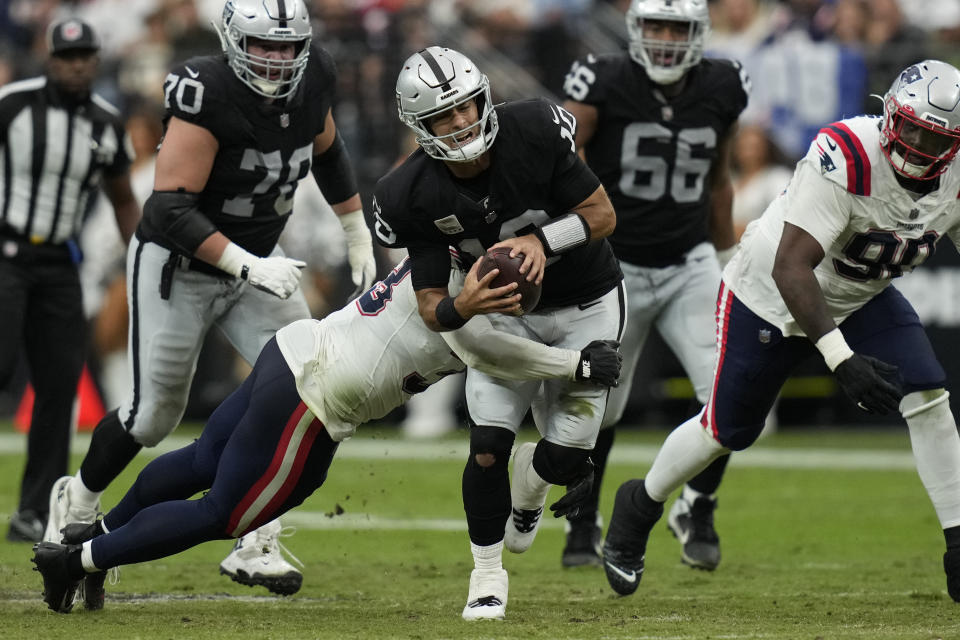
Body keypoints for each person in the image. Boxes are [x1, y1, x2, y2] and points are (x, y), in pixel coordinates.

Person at [30, 254, 623, 614]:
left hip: (294, 352)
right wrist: (575, 367)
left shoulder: (438, 256)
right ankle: (79, 560)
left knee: (201, 458)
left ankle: (92, 533)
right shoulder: (462, 297)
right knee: (225, 515)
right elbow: (483, 345)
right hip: (314, 400)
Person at [43, 0, 377, 606]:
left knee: (309, 384)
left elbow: (327, 150)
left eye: (287, 46)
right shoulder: (207, 91)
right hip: (180, 263)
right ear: (231, 41)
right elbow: (168, 207)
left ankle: (256, 538)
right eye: (262, 46)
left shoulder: (314, 77)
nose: (277, 60)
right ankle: (80, 499)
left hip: (258, 262)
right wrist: (248, 263)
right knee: (153, 417)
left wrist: (354, 228)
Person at [600, 59, 960, 602]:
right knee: (727, 430)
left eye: (934, 139)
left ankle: (958, 539)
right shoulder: (849, 154)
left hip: (860, 293)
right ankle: (641, 502)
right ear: (889, 114)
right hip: (767, 293)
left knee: (929, 396)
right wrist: (841, 359)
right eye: (909, 127)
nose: (916, 145)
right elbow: (792, 267)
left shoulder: (955, 176)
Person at [373, 46, 625, 620]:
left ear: (485, 97)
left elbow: (602, 214)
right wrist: (463, 305)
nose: (461, 122)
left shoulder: (534, 127)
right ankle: (487, 575)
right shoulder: (407, 193)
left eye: (466, 107)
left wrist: (543, 241)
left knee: (565, 459)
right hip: (501, 315)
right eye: (444, 115)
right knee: (487, 448)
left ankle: (532, 489)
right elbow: (432, 303)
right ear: (420, 126)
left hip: (585, 301)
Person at [558, 0, 749, 570]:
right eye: (656, 26)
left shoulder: (723, 83)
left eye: (679, 28)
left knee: (727, 393)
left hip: (689, 260)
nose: (666, 39)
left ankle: (698, 504)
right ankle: (583, 520)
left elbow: (718, 177)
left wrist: (729, 257)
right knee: (602, 406)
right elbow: (563, 165)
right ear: (636, 30)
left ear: (699, 34)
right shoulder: (603, 79)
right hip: (615, 265)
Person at [0, 18, 139, 543]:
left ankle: (33, 511)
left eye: (84, 56)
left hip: (61, 263)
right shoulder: (13, 104)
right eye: (66, 56)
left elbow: (123, 199)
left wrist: (142, 257)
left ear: (96, 61)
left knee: (59, 388)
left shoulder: (106, 123)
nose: (75, 65)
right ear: (49, 59)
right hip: (6, 252)